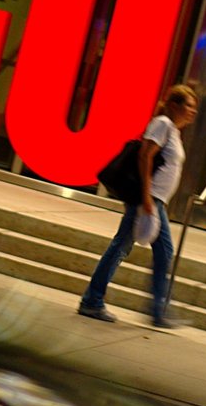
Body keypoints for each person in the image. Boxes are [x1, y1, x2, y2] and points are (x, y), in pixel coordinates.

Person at [78, 84, 198, 328]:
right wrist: (145, 197)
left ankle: (149, 308)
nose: (192, 112)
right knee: (141, 249)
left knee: (132, 247)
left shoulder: (173, 130)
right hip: (148, 198)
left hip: (154, 199)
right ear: (174, 104)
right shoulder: (163, 124)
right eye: (189, 106)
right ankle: (99, 301)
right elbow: (145, 156)